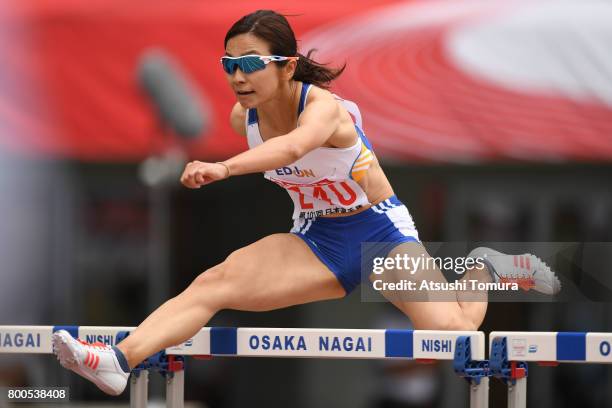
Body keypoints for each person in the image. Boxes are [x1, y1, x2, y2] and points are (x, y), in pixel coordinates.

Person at [52, 10, 561, 396]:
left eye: (250, 64)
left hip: (380, 234)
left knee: (453, 333)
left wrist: (224, 168)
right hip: (317, 237)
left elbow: (295, 147)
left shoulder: (324, 108)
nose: (237, 76)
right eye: (229, 64)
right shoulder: (241, 119)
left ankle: (479, 270)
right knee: (214, 283)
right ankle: (116, 361)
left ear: (288, 65)